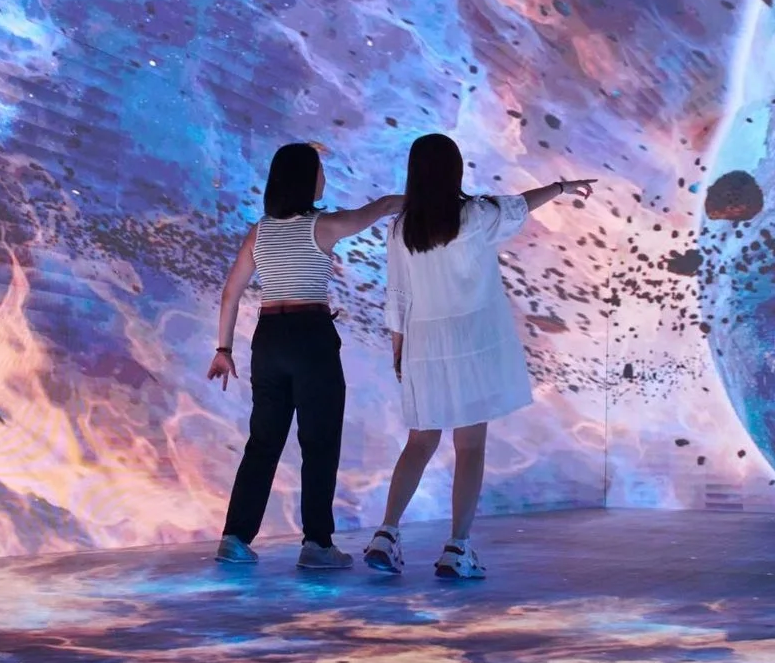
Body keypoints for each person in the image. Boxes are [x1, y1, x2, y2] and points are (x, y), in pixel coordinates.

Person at [365, 133, 594, 579]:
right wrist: (562, 188)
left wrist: (398, 347)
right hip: (472, 341)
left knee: (420, 442)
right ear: (455, 171)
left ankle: (386, 534)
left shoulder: (400, 227)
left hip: (423, 344)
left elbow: (396, 293)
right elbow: (522, 204)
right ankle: (457, 548)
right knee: (469, 447)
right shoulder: (475, 215)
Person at [207, 143, 401, 570]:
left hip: (268, 338)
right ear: (306, 180)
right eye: (320, 170)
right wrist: (430, 200)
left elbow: (230, 293)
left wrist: (224, 349)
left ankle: (234, 538)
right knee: (319, 442)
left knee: (262, 444)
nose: (325, 177)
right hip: (310, 336)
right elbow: (383, 206)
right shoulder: (324, 226)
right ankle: (317, 544)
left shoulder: (260, 231)